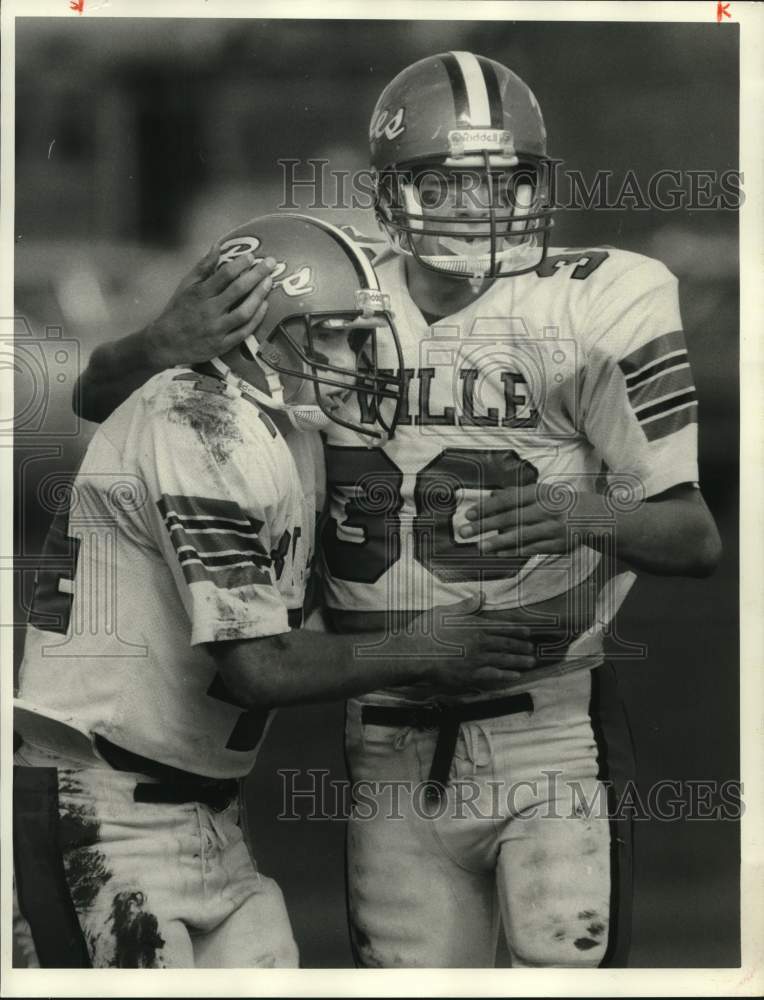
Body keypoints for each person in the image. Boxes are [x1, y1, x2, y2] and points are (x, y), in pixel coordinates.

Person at [68, 52, 722, 969]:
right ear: (389, 196)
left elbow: (695, 537)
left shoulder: (601, 299)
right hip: (382, 726)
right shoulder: (332, 291)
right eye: (447, 185)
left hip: (546, 719)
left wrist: (583, 518)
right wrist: (156, 341)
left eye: (502, 183)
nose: (476, 210)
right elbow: (107, 401)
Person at [13, 212, 538, 969]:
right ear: (254, 334)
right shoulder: (199, 423)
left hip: (204, 814)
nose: (357, 358)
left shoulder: (287, 432)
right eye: (331, 335)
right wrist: (429, 648)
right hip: (98, 809)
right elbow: (258, 667)